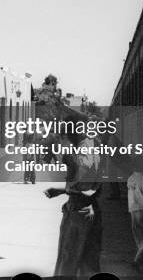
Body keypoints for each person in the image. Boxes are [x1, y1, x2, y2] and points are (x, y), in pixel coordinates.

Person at [44, 117, 102, 277]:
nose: (66, 139)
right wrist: (62, 190)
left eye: (67, 135)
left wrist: (66, 155)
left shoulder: (84, 148)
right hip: (86, 206)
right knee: (87, 261)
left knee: (69, 258)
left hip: (79, 209)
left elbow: (83, 175)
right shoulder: (90, 145)